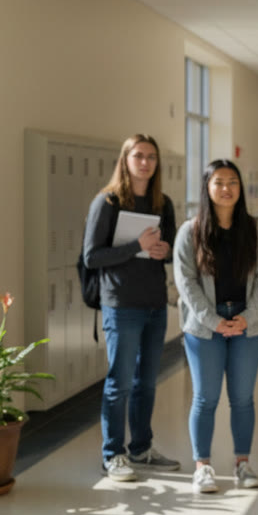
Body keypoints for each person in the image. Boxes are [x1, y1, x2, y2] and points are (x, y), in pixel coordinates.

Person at [173, 160, 258, 493]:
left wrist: (249, 315)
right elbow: (185, 282)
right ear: (207, 187)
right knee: (205, 398)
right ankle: (202, 466)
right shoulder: (190, 231)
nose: (227, 188)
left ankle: (242, 464)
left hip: (247, 323)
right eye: (219, 182)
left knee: (243, 399)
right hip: (204, 327)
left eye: (233, 181)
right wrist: (215, 321)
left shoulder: (254, 228)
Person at [83, 133, 180, 482]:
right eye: (138, 156)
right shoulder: (107, 203)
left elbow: (169, 245)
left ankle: (141, 447)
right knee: (119, 382)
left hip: (154, 302)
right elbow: (92, 257)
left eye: (151, 157)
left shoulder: (162, 203)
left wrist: (161, 250)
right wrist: (135, 245)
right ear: (125, 160)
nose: (145, 162)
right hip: (121, 304)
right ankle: (113, 454)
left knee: (147, 383)